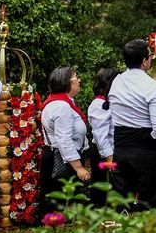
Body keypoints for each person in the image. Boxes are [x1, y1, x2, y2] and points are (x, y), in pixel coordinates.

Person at [109, 39, 156, 210]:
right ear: (144, 61)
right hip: (145, 149)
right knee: (152, 201)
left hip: (121, 147)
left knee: (122, 201)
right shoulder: (151, 86)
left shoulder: (116, 82)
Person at [38, 66, 91, 215]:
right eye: (76, 77)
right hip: (61, 160)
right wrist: (79, 167)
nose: (79, 80)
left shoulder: (63, 102)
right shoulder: (61, 107)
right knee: (61, 204)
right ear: (66, 82)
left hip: (61, 157)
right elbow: (64, 140)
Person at [88, 67, 121, 207]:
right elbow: (100, 135)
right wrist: (109, 158)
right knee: (103, 192)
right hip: (104, 153)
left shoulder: (108, 101)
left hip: (111, 151)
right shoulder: (99, 104)